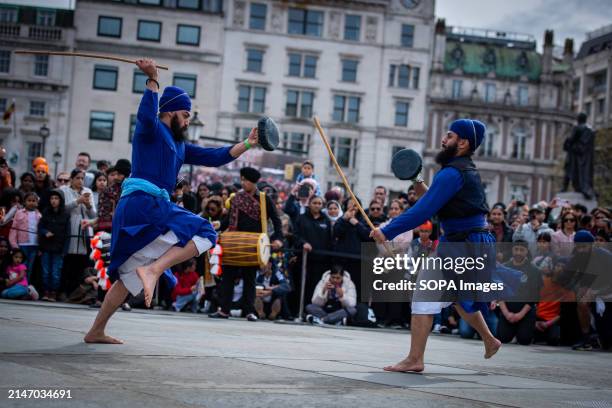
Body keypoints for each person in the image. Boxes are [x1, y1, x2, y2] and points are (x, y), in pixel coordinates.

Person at [84, 58, 256, 344]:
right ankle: (153, 269)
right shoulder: (150, 130)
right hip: (144, 204)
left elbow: (215, 156)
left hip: (146, 207)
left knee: (128, 275)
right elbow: (145, 114)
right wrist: (152, 80)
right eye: (186, 115)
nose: (188, 121)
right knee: (206, 231)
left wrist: (248, 143)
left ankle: (96, 330)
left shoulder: (178, 144)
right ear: (172, 111)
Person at [370, 118, 502, 372]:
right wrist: (417, 178)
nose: (444, 139)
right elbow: (434, 199)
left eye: (450, 136)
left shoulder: (453, 172)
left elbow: (423, 211)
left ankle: (415, 359)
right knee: (454, 298)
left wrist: (386, 231)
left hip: (464, 245)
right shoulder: (460, 169)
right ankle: (489, 340)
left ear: (463, 142)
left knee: (425, 295)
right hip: (463, 243)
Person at [210, 167, 283, 321]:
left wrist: (278, 238)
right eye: (242, 180)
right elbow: (228, 220)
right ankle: (224, 310)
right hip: (234, 242)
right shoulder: (236, 198)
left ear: (254, 182)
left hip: (253, 244)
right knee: (227, 277)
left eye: (246, 180)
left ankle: (249, 311)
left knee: (250, 279)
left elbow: (276, 220)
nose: (243, 183)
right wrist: (219, 225)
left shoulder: (264, 199)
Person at [497, 240, 542, 345]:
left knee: (524, 340)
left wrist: (520, 315)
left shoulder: (534, 270)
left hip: (525, 312)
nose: (518, 252)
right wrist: (507, 313)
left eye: (522, 250)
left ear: (526, 251)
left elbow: (534, 297)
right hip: (507, 310)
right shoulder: (504, 267)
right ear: (512, 250)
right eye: (516, 249)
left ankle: (526, 329)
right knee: (503, 338)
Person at [60, 169, 96, 297]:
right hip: (71, 228)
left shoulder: (88, 192)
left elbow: (94, 215)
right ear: (72, 179)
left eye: (82, 178)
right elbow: (62, 209)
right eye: (77, 178)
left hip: (86, 230)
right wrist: (77, 201)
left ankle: (77, 292)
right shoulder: (64, 190)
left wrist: (88, 206)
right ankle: (64, 291)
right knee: (68, 262)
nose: (80, 181)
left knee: (82, 262)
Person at [293, 195, 333, 308]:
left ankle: (312, 311)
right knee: (302, 286)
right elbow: (295, 235)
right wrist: (303, 243)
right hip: (304, 259)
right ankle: (299, 309)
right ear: (309, 204)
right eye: (314, 203)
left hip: (321, 262)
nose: (317, 205)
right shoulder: (301, 218)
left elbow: (329, 240)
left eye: (319, 203)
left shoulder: (326, 220)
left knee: (316, 287)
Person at [38, 190, 70, 302]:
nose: (54, 201)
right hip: (46, 247)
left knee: (56, 272)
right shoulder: (46, 212)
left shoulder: (65, 214)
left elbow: (67, 234)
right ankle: (46, 292)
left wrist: (64, 251)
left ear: (60, 200)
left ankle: (53, 293)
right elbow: (40, 227)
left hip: (59, 248)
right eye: (52, 198)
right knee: (46, 271)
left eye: (56, 198)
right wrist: (45, 232)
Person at [8, 192, 41, 280]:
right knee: (22, 266)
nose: (31, 202)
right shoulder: (19, 213)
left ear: (37, 203)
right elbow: (14, 229)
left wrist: (41, 246)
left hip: (34, 245)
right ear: (24, 202)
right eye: (29, 200)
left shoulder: (39, 215)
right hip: (22, 245)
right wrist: (14, 245)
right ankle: (19, 284)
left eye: (34, 201)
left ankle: (26, 285)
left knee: (30, 267)